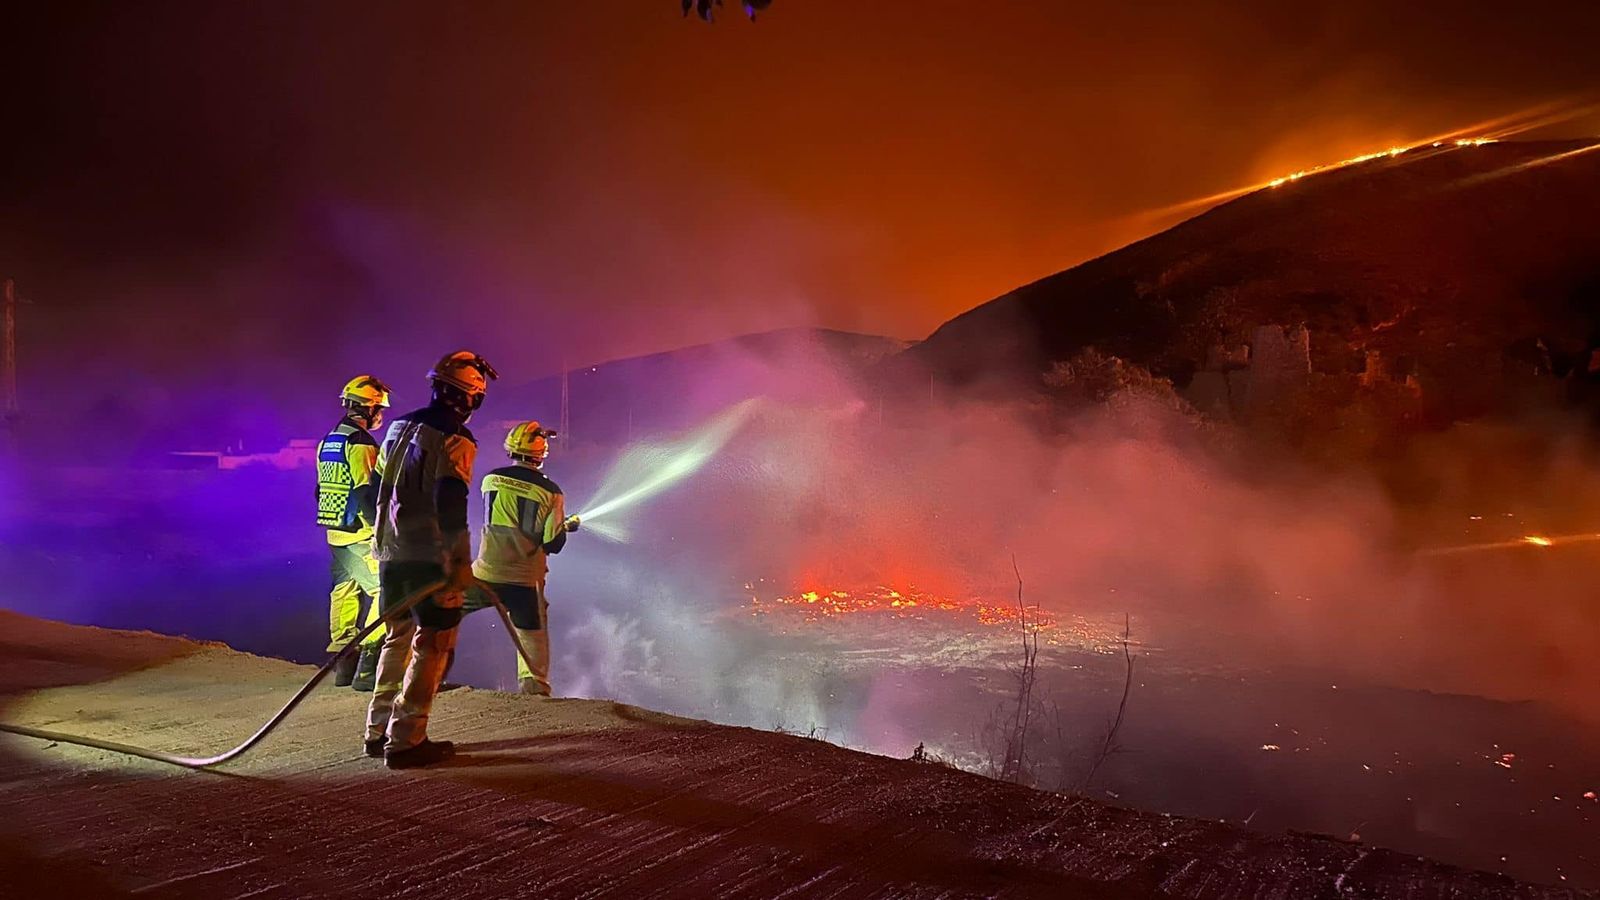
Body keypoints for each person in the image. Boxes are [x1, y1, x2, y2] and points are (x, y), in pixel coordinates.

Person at [364, 350, 497, 769]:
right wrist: (458, 559)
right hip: (428, 558)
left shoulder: (399, 428)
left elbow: (372, 490)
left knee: (396, 638)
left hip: (389, 552)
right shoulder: (456, 438)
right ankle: (406, 739)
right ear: (470, 398)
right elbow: (450, 500)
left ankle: (377, 730)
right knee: (433, 644)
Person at [462, 421, 581, 696]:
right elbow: (553, 544)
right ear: (541, 453)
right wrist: (566, 527)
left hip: (485, 573)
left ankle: (425, 673)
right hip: (524, 580)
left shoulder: (490, 480)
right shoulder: (552, 492)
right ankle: (534, 691)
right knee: (531, 633)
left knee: (445, 614)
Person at [315, 375, 390, 689]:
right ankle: (368, 666)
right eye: (378, 408)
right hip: (358, 532)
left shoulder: (328, 439)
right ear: (368, 408)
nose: (381, 415)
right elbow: (363, 489)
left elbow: (320, 488)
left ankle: (343, 667)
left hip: (334, 529)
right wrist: (378, 531)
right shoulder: (360, 442)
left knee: (344, 591)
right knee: (384, 593)